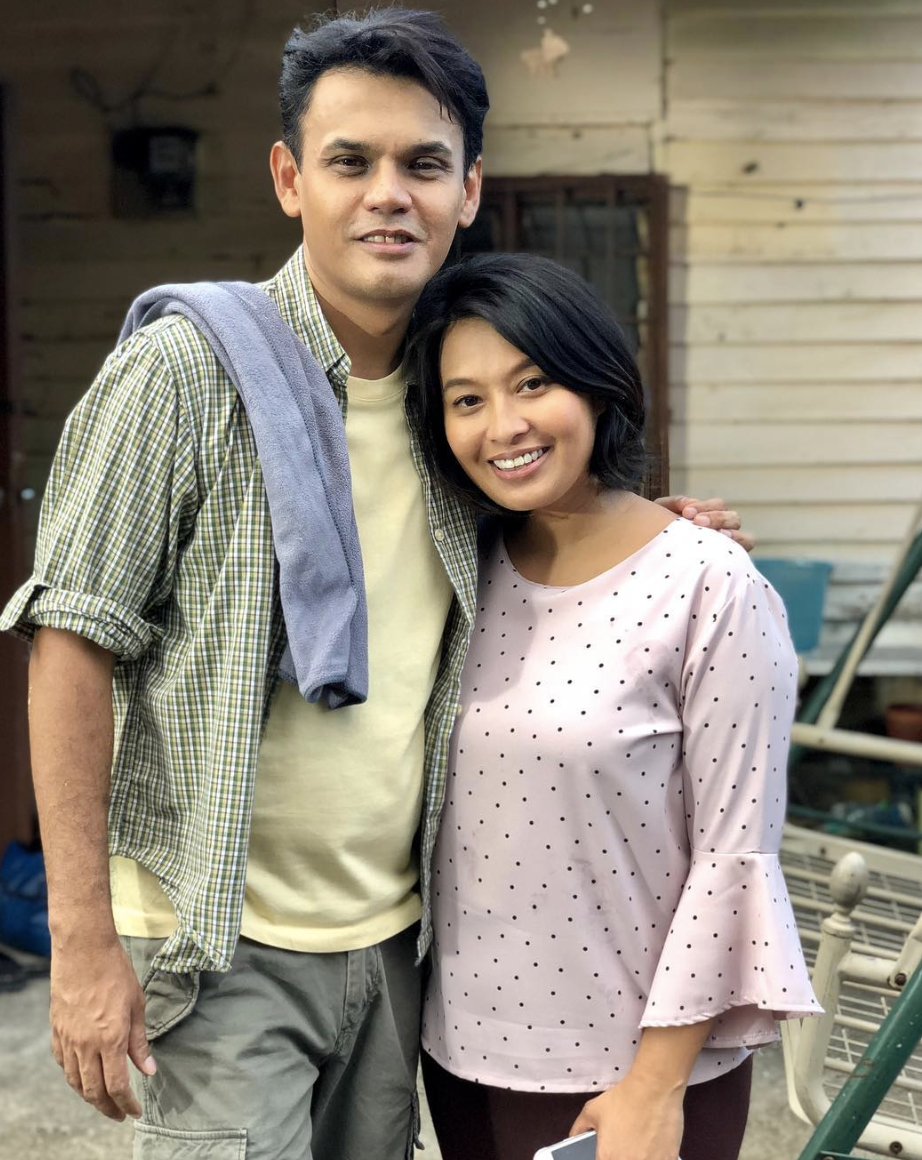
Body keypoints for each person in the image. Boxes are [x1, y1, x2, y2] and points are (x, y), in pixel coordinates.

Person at [0, 9, 751, 1159]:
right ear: (290, 179)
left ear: (468, 189)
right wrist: (83, 939)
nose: (387, 194)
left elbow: (545, 517)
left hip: (399, 942)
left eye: (423, 164)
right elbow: (71, 641)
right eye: (350, 161)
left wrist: (657, 529)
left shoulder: (453, 404)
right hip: (219, 937)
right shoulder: (182, 373)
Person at [404, 252, 820, 1160]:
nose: (503, 425)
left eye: (533, 383)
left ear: (596, 385)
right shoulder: (460, 573)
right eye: (467, 399)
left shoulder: (710, 584)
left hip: (629, 1072)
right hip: (462, 1053)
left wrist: (653, 1087)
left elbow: (734, 854)